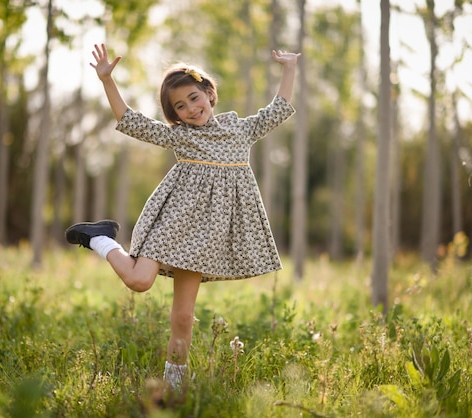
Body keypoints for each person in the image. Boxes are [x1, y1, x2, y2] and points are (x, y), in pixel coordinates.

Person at [66, 43, 299, 392]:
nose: (191, 108)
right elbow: (131, 122)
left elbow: (277, 110)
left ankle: (174, 387)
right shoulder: (182, 137)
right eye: (180, 106)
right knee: (139, 282)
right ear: (174, 114)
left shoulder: (240, 131)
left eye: (194, 97)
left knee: (184, 317)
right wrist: (107, 81)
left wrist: (289, 68)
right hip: (172, 224)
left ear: (209, 93)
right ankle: (99, 238)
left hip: (203, 240)